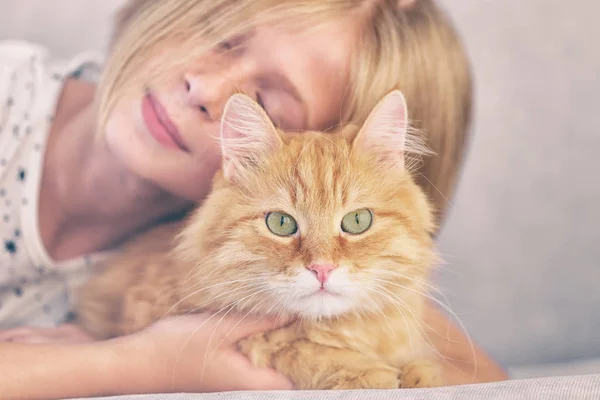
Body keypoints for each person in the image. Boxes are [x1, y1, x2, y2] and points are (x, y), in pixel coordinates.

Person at [0, 0, 508, 398]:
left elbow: (487, 378)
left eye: (266, 105)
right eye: (221, 37)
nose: (203, 87)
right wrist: (130, 361)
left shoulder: (231, 234)